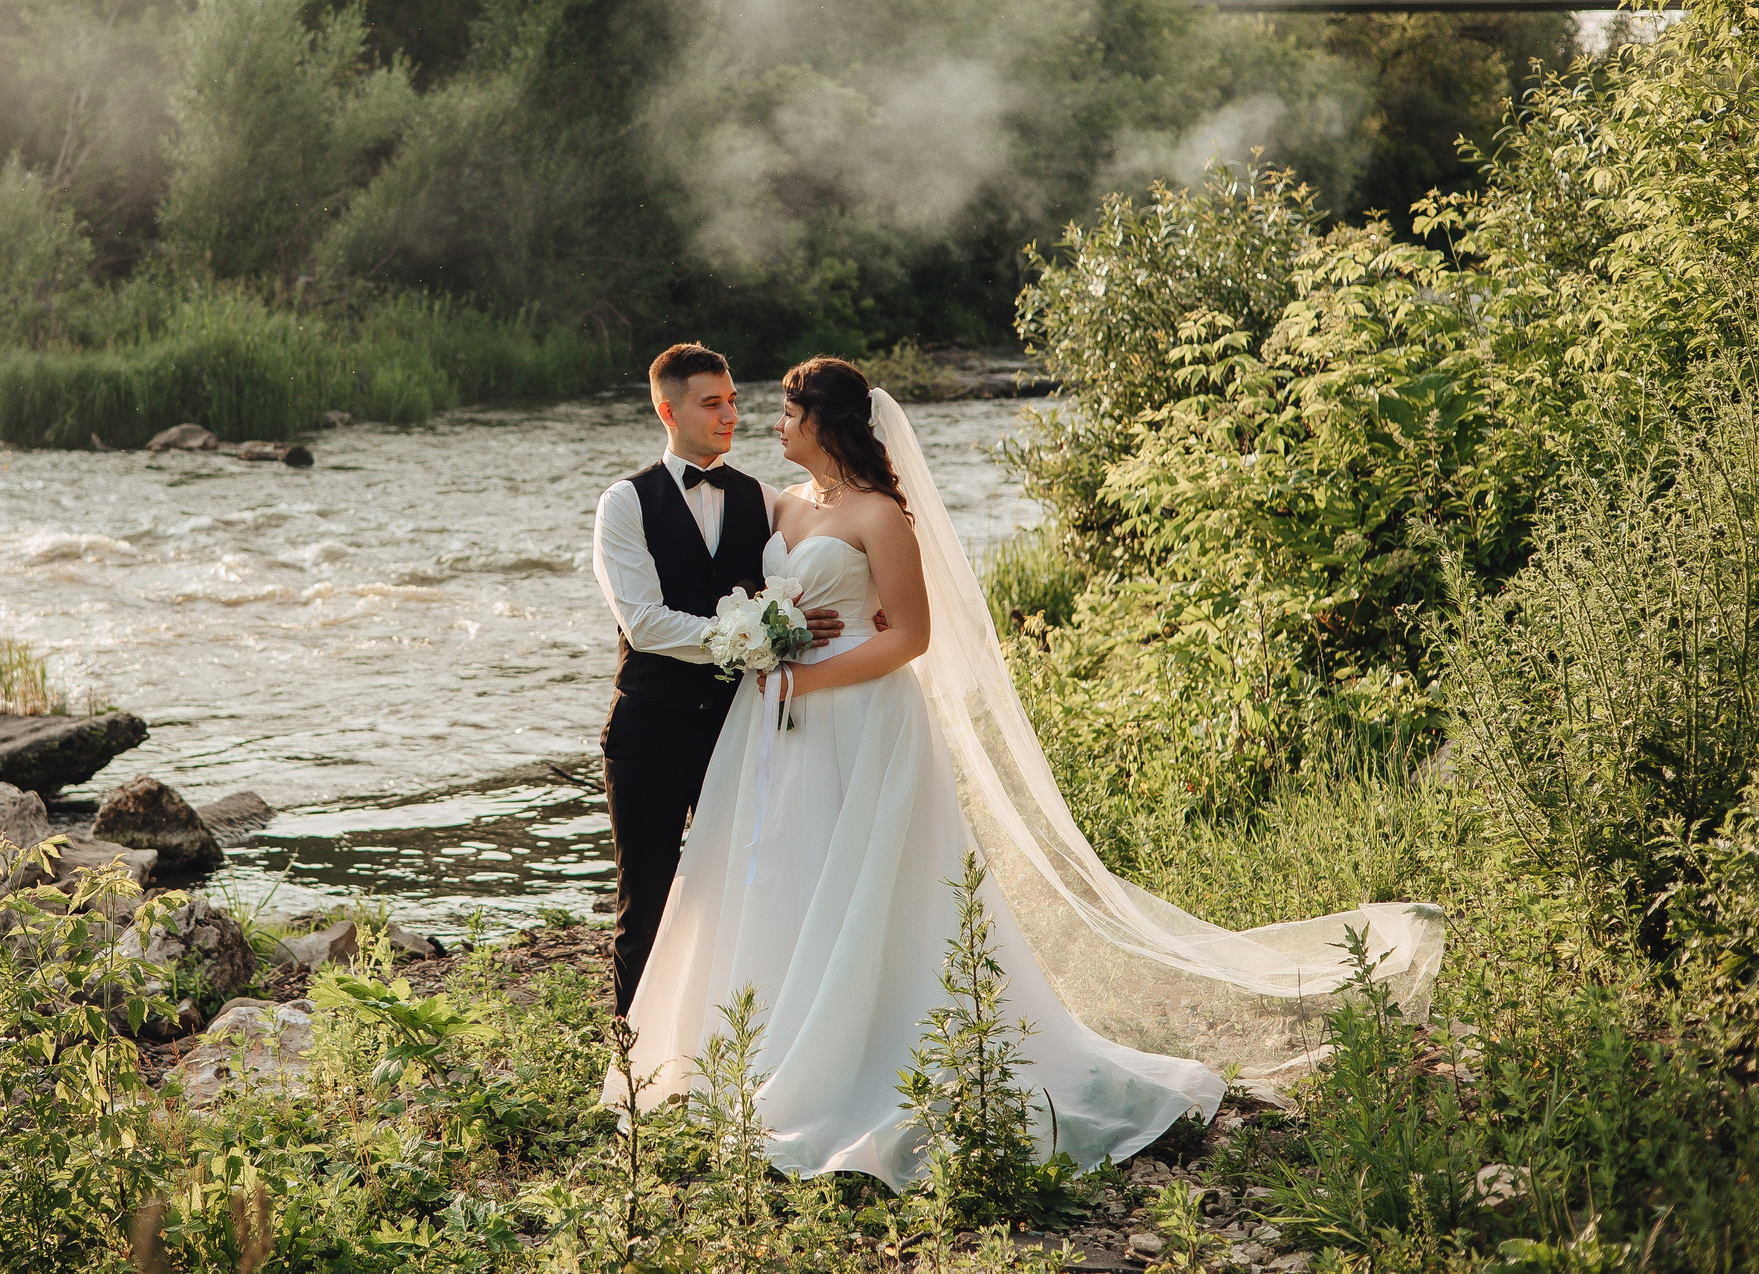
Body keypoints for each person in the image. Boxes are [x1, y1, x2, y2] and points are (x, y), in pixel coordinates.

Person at [607, 354, 1444, 1189]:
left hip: (858, 716)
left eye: (787, 412)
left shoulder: (880, 514)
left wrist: (807, 673)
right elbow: (743, 598)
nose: (768, 422)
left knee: (869, 880)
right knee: (789, 873)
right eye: (737, 405)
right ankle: (764, 1041)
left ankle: (863, 1052)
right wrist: (768, 637)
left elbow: (912, 635)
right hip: (778, 727)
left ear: (824, 421)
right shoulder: (779, 502)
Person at [590, 343, 851, 1017]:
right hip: (648, 736)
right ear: (667, 411)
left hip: (740, 731)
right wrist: (756, 635)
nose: (732, 414)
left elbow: (825, 554)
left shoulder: (764, 500)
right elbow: (644, 623)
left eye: (733, 400)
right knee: (644, 905)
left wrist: (864, 611)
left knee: (742, 895)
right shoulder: (624, 503)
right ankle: (631, 1061)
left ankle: (725, 1048)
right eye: (713, 403)